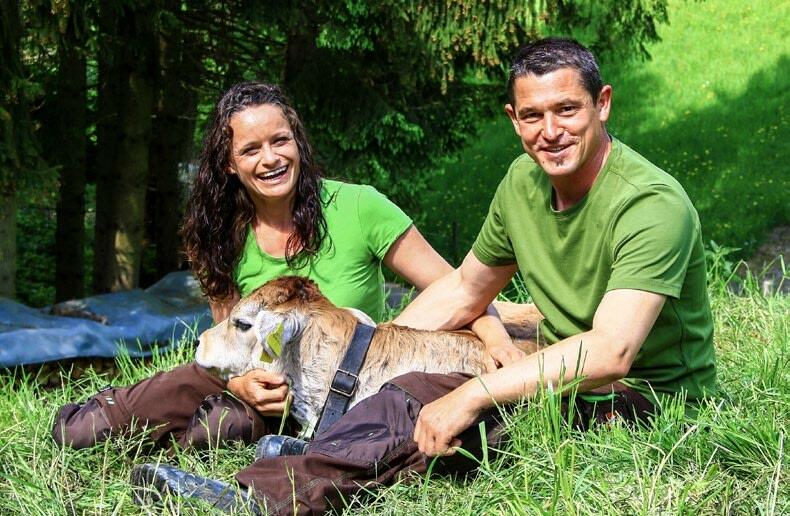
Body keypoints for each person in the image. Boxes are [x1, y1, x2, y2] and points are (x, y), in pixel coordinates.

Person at [128, 38, 717, 514]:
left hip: (641, 398)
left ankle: (262, 497)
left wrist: (472, 394)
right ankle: (319, 442)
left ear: (603, 104)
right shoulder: (522, 183)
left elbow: (613, 352)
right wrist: (372, 355)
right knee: (407, 382)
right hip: (554, 364)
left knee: (428, 403)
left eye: (567, 110)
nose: (551, 131)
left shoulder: (649, 205)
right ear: (513, 119)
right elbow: (463, 289)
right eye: (533, 115)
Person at [52, 82, 518, 451]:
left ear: (298, 143)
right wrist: (240, 382)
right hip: (256, 386)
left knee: (218, 429)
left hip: (332, 396)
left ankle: (174, 458)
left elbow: (462, 289)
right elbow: (228, 340)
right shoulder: (218, 235)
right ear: (230, 164)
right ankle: (86, 418)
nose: (271, 158)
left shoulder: (360, 208)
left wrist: (498, 342)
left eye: (280, 141)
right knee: (93, 429)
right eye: (251, 149)